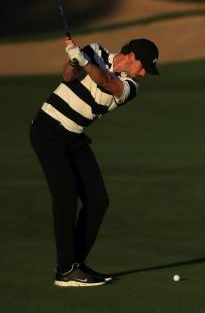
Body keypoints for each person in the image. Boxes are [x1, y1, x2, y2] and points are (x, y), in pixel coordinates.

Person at [29, 37, 159, 287]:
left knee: (98, 200)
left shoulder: (130, 87)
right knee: (66, 196)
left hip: (73, 135)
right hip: (47, 130)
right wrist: (73, 59)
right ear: (131, 56)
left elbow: (106, 81)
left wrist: (85, 61)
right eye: (143, 67)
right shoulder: (96, 51)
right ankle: (66, 270)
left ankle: (73, 264)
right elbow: (68, 76)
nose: (143, 74)